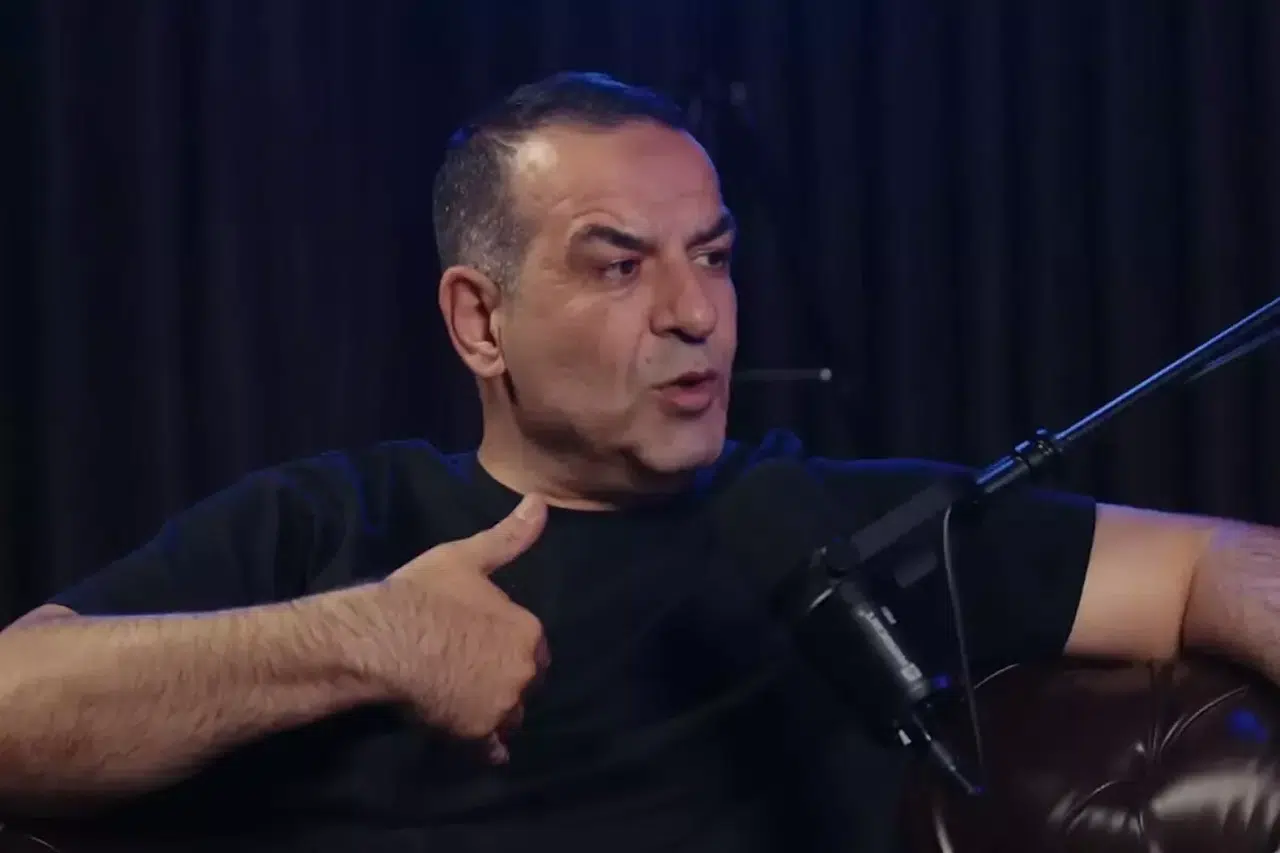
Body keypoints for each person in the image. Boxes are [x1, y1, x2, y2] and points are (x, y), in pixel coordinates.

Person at [0, 71, 1276, 853]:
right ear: (479, 320)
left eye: (711, 256)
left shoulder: (837, 532)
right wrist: (364, 641)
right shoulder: (333, 521)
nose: (693, 312)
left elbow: (1206, 568)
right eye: (619, 266)